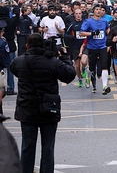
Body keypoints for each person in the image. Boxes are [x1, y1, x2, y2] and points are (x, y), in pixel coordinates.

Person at [10, 33, 75, 173]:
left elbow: (14, 70)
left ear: (27, 46)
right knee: (48, 147)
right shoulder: (52, 62)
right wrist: (64, 57)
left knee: (27, 146)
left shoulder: (19, 61)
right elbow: (69, 75)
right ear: (42, 46)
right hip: (48, 108)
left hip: (26, 108)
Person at [79, 4, 111, 94]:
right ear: (94, 11)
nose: (98, 11)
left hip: (102, 46)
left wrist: (112, 35)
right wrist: (92, 33)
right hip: (92, 47)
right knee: (92, 67)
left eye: (100, 9)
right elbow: (81, 33)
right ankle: (88, 76)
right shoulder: (88, 21)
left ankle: (105, 86)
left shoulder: (104, 21)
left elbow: (108, 31)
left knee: (104, 65)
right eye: (96, 9)